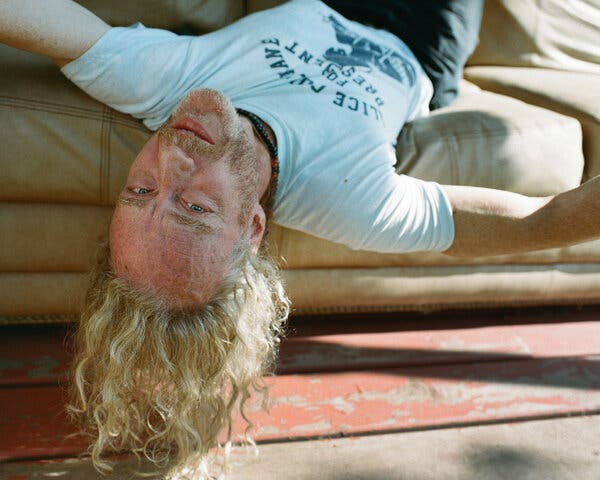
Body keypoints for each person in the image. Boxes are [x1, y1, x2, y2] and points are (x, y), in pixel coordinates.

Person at [2, 0, 600, 478]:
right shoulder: (352, 200)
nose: (170, 158)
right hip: (423, 32)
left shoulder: (169, 91)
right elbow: (539, 220)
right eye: (193, 205)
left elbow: (44, 21)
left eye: (139, 194)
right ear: (252, 229)